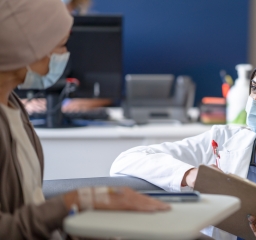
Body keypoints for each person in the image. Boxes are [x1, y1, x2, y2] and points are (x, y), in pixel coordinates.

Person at [110, 50, 256, 240]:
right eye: (255, 88)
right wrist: (191, 175)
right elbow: (126, 161)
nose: (255, 100)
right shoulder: (221, 140)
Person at [0, 0, 170, 239]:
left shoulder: (13, 107)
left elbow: (31, 206)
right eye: (60, 46)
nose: (64, 56)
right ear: (26, 48)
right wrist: (75, 201)